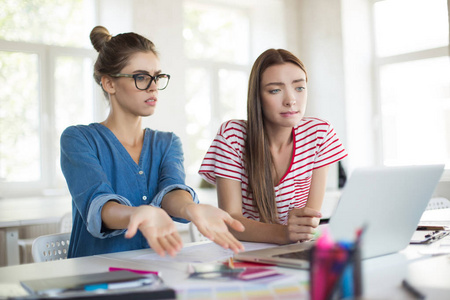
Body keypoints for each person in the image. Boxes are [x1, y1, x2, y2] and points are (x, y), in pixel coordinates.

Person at [60, 26, 244, 258]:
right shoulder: (78, 139)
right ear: (109, 84)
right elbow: (99, 206)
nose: (154, 86)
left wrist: (191, 208)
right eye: (141, 77)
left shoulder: (167, 143)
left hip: (154, 273)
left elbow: (171, 191)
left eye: (157, 77)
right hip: (94, 278)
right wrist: (138, 214)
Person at [199, 49, 347, 244]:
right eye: (275, 90)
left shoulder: (319, 133)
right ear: (257, 97)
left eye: (299, 88)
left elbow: (309, 221)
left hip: (292, 250)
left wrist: (295, 232)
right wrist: (283, 233)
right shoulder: (233, 136)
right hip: (246, 253)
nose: (291, 100)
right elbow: (230, 222)